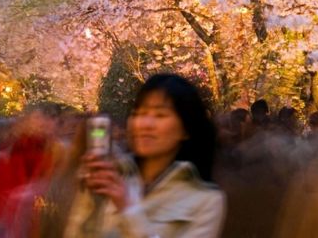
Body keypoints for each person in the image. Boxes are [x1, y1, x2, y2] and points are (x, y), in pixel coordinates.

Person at [63, 73, 225, 238]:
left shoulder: (206, 200)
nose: (144, 124)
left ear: (186, 129)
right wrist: (89, 198)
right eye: (138, 113)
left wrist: (128, 209)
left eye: (160, 115)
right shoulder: (113, 176)